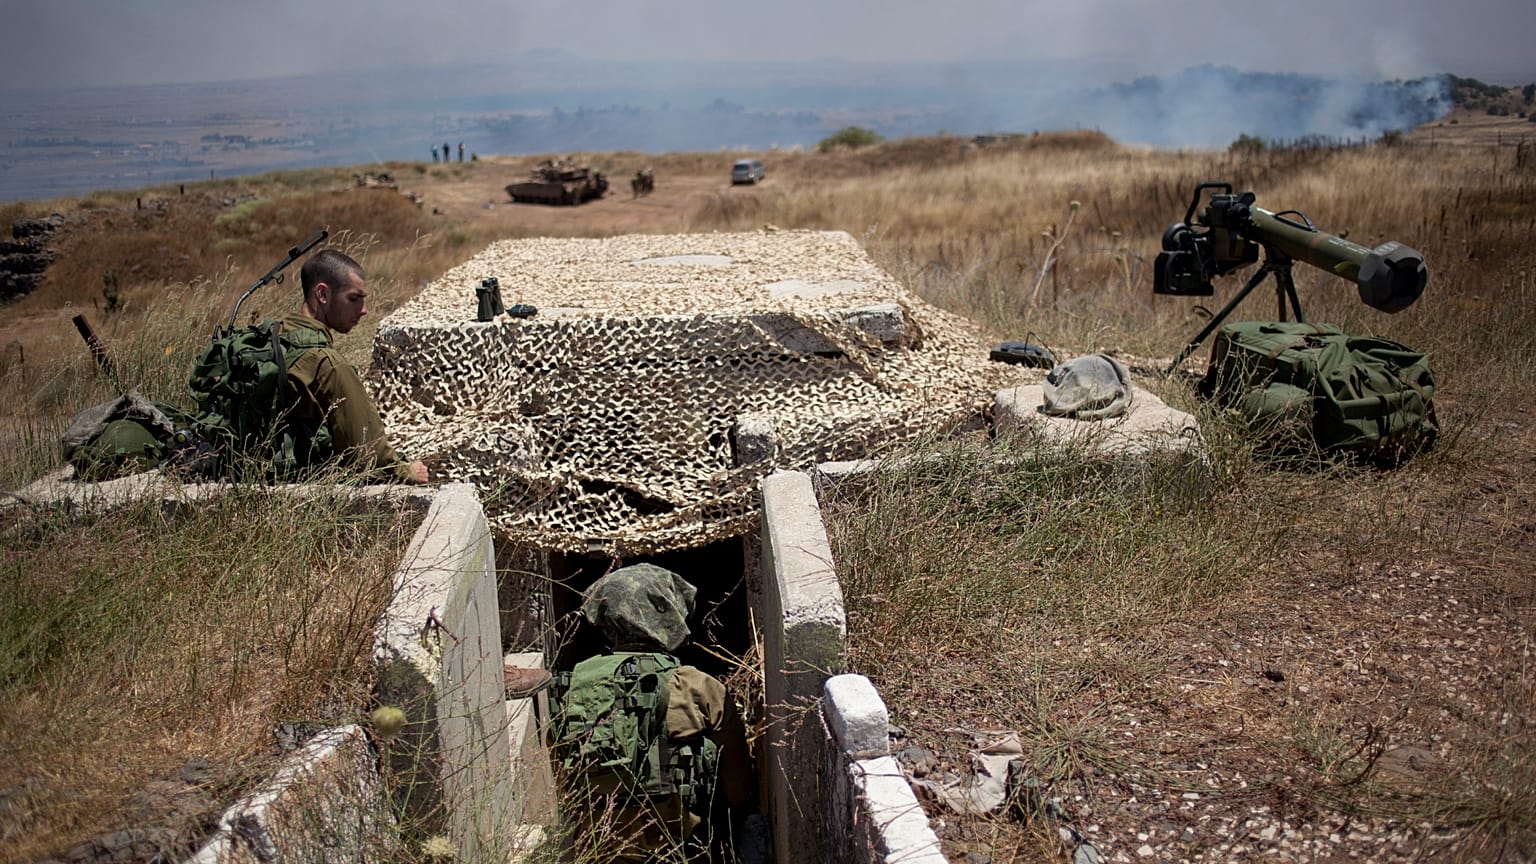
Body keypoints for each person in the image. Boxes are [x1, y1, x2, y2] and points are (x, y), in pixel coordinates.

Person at [551, 563, 752, 862]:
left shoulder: (577, 684)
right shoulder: (696, 685)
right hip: (684, 846)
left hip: (603, 848)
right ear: (667, 614)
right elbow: (738, 790)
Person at [276, 250, 428, 484]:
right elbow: (369, 456)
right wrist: (410, 473)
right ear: (323, 294)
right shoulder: (328, 365)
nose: (364, 309)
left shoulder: (277, 337)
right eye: (354, 299)